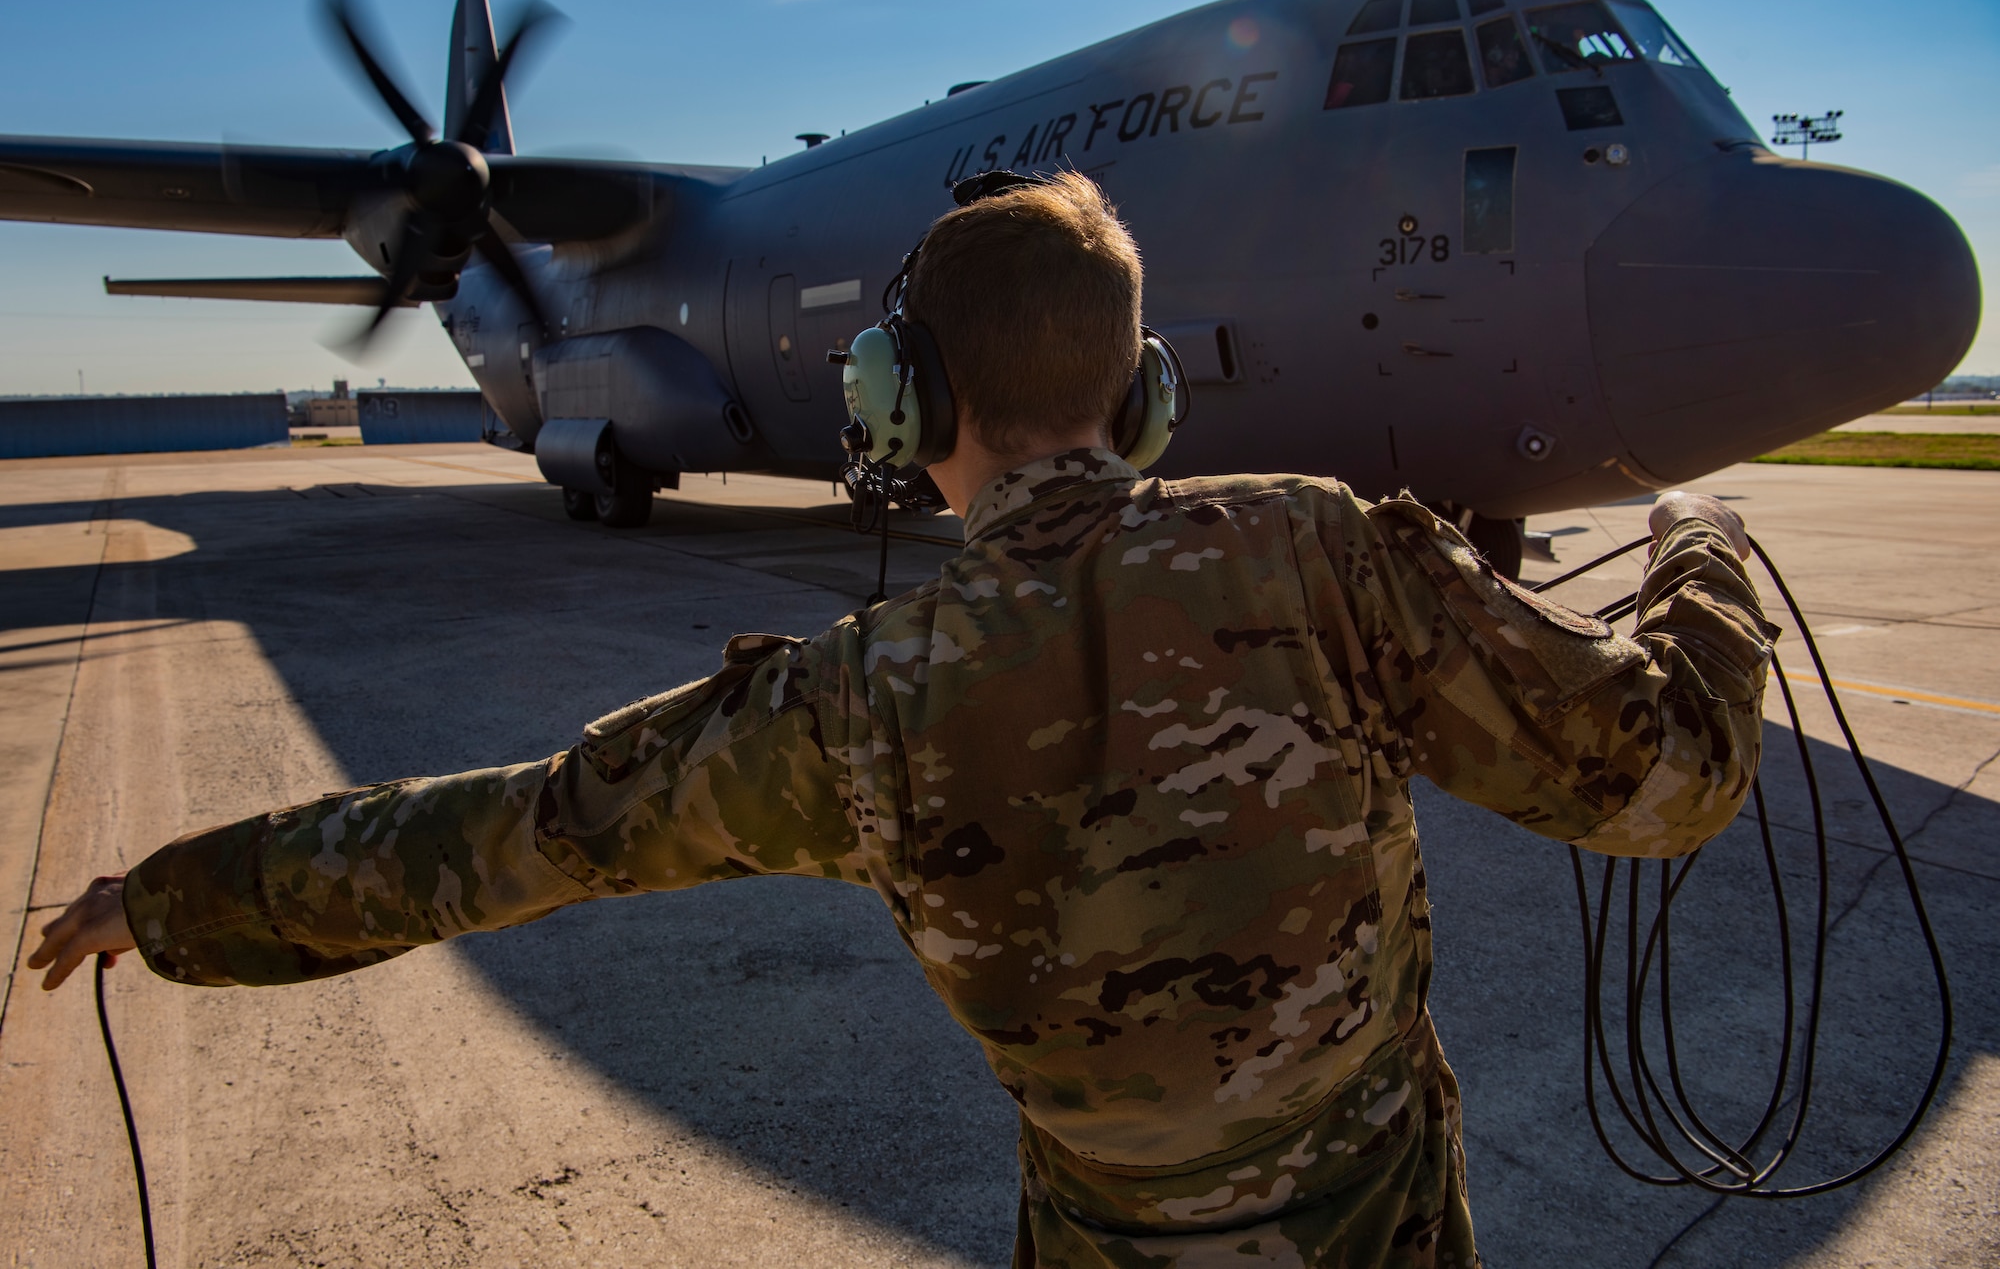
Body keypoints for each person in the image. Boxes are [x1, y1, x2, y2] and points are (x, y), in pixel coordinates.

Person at [30, 172, 1774, 1268]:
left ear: (903, 399)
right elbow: (1673, 782)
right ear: (1144, 394)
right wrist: (1704, 569)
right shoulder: (1320, 552)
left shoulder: (859, 703)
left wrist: (176, 901)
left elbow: (512, 837)